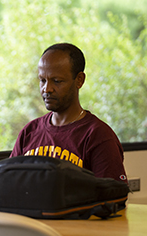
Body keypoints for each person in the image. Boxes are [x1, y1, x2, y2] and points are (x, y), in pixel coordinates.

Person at [10, 43, 127, 183]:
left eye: (57, 81)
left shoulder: (98, 136)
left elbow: (113, 198)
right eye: (42, 80)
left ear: (79, 80)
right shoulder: (29, 132)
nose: (47, 89)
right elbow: (9, 184)